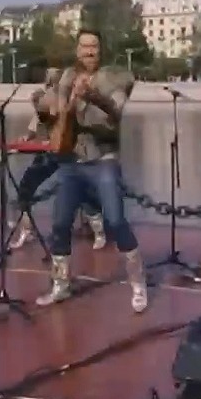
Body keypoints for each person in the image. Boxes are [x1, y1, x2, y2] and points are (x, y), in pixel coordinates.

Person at [37, 28, 147, 313]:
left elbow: (116, 113)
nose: (89, 52)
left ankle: (138, 283)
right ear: (77, 50)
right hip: (72, 160)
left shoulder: (116, 77)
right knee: (60, 223)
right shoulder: (67, 77)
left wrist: (94, 96)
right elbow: (54, 113)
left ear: (101, 50)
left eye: (94, 47)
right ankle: (60, 284)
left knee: (116, 221)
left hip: (103, 159)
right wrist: (46, 104)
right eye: (84, 47)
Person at [8, 67, 107, 251]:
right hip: (49, 153)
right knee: (26, 186)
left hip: (70, 152)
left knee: (80, 191)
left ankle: (99, 230)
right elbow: (35, 126)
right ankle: (27, 229)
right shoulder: (44, 100)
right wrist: (26, 138)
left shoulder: (73, 101)